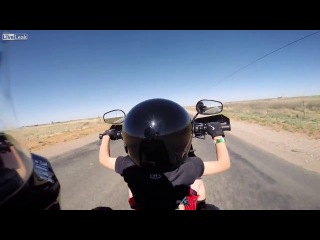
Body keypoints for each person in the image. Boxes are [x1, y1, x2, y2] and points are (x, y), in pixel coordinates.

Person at [99, 98, 231, 210]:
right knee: (198, 182)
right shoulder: (189, 168)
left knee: (131, 190)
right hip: (175, 204)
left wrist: (106, 136)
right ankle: (201, 206)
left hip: (145, 205)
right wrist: (218, 136)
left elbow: (103, 159)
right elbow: (223, 164)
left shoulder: (128, 167)